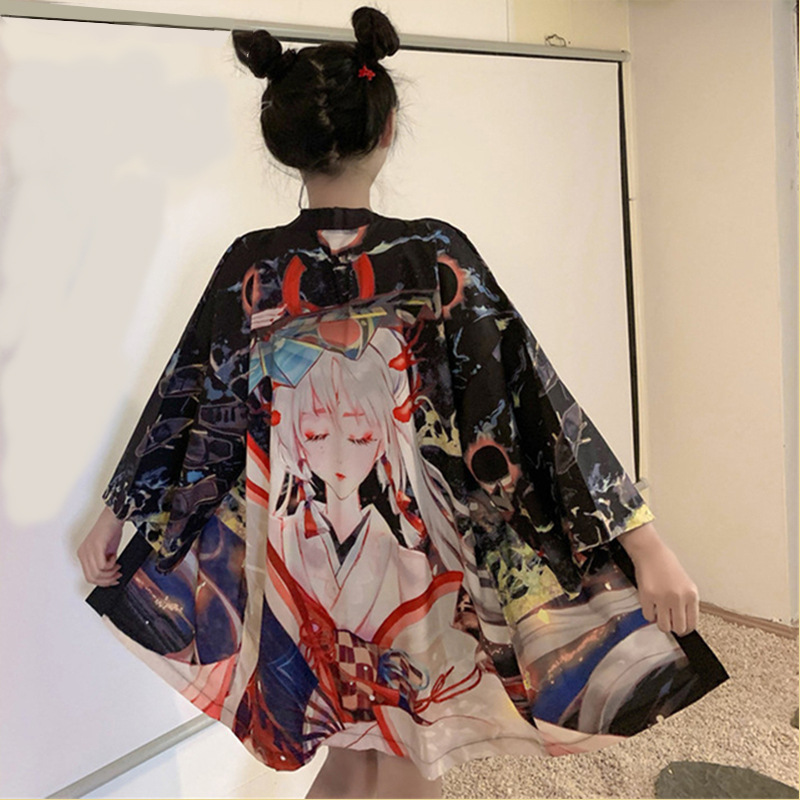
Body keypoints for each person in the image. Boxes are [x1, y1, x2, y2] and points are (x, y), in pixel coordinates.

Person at [77, 7, 729, 799]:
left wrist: (120, 512)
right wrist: (641, 539)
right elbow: (526, 399)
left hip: (297, 549)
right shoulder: (431, 255)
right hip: (407, 549)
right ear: (387, 130)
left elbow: (190, 395)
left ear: (283, 141)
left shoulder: (250, 265)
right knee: (404, 756)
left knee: (349, 751)